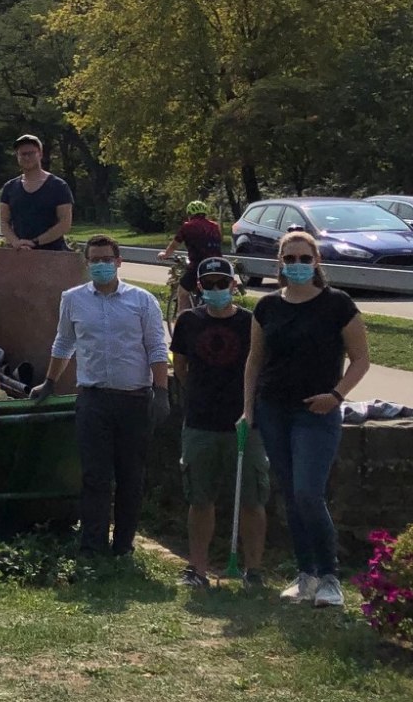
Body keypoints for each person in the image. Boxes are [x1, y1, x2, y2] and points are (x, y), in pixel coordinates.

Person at [244, 230, 370, 609]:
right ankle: (306, 575)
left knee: (308, 493)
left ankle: (330, 576)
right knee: (290, 495)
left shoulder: (338, 305)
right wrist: (248, 409)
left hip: (317, 412)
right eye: (290, 259)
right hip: (273, 410)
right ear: (279, 264)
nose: (297, 266)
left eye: (304, 259)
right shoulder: (267, 307)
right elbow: (254, 362)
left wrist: (336, 396)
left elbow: (361, 359)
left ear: (316, 262)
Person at [32, 235, 170, 557]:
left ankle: (123, 546)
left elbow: (156, 348)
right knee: (95, 476)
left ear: (119, 261)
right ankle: (92, 546)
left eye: (107, 259)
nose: (101, 265)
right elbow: (64, 343)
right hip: (93, 399)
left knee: (130, 477)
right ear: (87, 262)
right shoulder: (73, 299)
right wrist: (50, 382)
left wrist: (161, 391)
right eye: (95, 259)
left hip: (134, 399)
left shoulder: (143, 301)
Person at [170, 258, 267, 590]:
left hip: (245, 423)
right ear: (200, 288)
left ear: (233, 286)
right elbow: (180, 367)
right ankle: (197, 569)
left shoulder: (252, 322)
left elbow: (260, 370)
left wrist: (248, 409)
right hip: (200, 423)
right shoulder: (188, 322)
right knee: (200, 499)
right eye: (208, 284)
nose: (215, 290)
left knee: (252, 499)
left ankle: (253, 570)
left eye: (221, 284)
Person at [0, 134, 74, 252]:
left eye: (31, 153)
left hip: (53, 253)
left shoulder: (58, 186)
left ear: (40, 154)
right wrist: (16, 242)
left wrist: (35, 242)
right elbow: (4, 221)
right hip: (19, 253)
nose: (27, 158)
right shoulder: (10, 187)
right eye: (23, 154)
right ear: (17, 157)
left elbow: (65, 223)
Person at [159, 201, 226, 319]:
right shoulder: (215, 226)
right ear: (205, 213)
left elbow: (174, 245)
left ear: (189, 214)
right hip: (218, 265)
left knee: (182, 292)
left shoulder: (187, 226)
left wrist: (165, 254)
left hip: (199, 266)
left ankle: (183, 321)